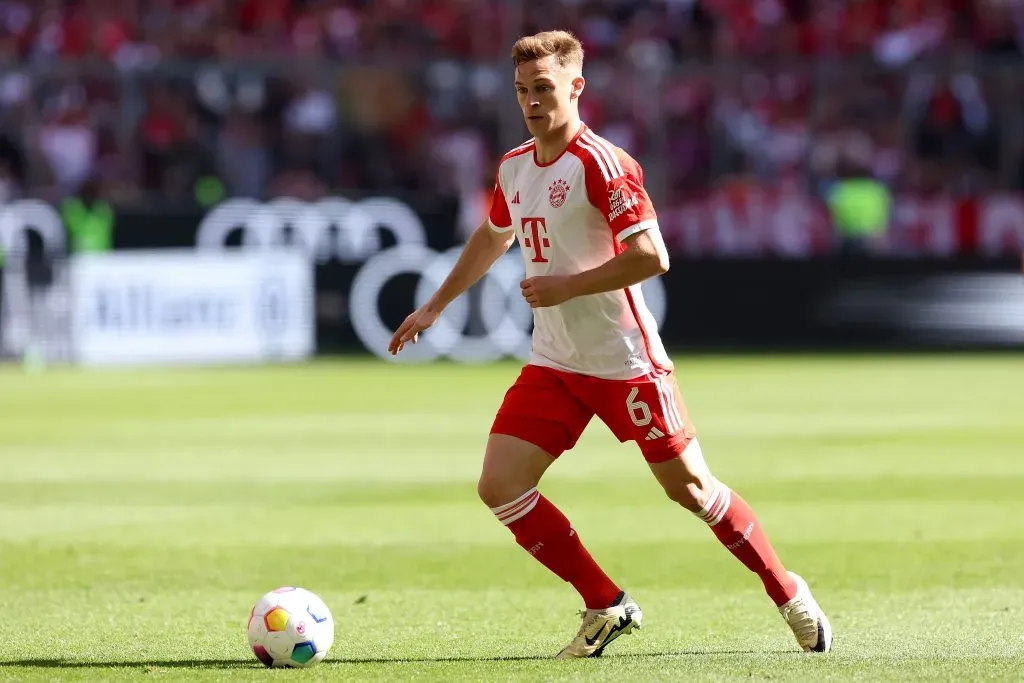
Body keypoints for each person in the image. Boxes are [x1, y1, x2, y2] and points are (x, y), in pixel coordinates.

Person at [388, 30, 832, 659]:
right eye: (522, 91)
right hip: (556, 362)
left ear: (576, 87)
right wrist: (435, 304)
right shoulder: (514, 166)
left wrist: (569, 285)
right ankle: (604, 603)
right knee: (500, 485)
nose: (532, 102)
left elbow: (653, 256)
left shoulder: (604, 163)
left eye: (543, 88)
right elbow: (493, 237)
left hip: (625, 362)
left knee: (693, 491)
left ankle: (788, 591)